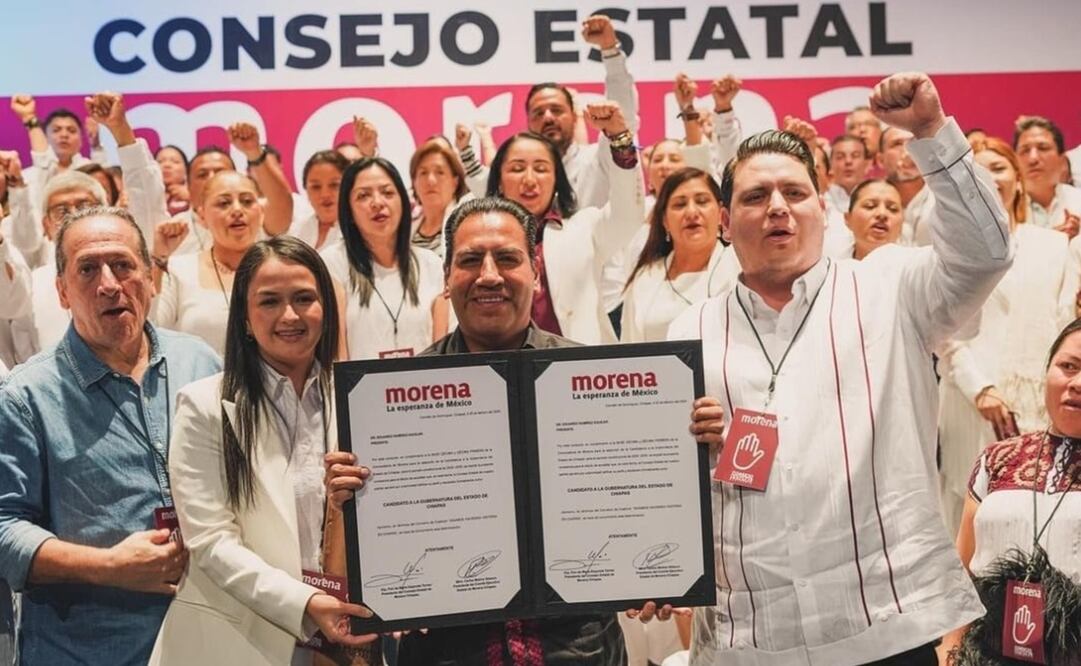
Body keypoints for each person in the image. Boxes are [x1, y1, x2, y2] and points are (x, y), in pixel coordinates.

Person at [665, 72, 1012, 664]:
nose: (777, 207)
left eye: (795, 193)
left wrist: (930, 132)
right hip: (751, 636)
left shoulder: (892, 286)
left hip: (885, 625)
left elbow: (987, 254)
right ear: (725, 222)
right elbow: (676, 481)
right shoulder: (689, 330)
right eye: (754, 197)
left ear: (823, 208)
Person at [325, 197, 627, 665]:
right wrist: (346, 502)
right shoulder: (387, 402)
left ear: (536, 273)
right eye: (470, 260)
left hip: (581, 648)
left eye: (507, 258)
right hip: (446, 649)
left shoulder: (589, 381)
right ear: (446, 277)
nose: (489, 274)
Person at [0, 206, 220, 664]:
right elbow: (4, 528)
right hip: (89, 647)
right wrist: (108, 567)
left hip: (208, 637)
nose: (108, 283)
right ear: (61, 292)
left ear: (151, 277)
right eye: (87, 269)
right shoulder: (25, 396)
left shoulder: (200, 363)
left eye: (123, 265)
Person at [149, 236, 375, 664]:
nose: (289, 315)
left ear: (326, 308)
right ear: (245, 319)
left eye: (304, 298)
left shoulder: (360, 398)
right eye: (269, 301)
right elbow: (212, 542)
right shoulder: (203, 406)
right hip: (236, 641)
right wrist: (304, 603)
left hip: (345, 640)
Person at [937, 136, 1076, 535]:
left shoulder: (1052, 245)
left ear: (1017, 178)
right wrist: (980, 389)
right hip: (969, 401)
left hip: (1036, 406)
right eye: (977, 170)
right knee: (966, 515)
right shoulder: (951, 252)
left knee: (1034, 517)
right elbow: (945, 333)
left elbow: (1064, 322)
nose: (989, 178)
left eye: (997, 167)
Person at [941, 318, 1081, 664]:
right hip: (989, 652)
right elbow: (963, 572)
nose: (1077, 383)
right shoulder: (998, 458)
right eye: (1068, 366)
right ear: (1047, 369)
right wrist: (948, 653)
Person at [487, 100, 644, 344]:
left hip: (577, 372)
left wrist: (620, 138)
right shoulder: (480, 238)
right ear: (498, 180)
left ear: (557, 180)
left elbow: (628, 214)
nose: (529, 179)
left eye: (541, 169)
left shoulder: (584, 228)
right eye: (517, 168)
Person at [458, 15, 637, 209]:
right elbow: (484, 183)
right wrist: (465, 149)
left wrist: (610, 50)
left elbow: (620, 115)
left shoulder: (595, 161)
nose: (548, 117)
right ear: (528, 124)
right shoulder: (519, 178)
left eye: (557, 110)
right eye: (538, 113)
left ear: (574, 117)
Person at [320, 157, 448, 359]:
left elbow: (443, 357)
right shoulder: (332, 264)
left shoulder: (430, 264)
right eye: (363, 196)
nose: (377, 203)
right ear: (349, 211)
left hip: (424, 388)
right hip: (359, 389)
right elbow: (337, 359)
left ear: (404, 203)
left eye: (388, 193)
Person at [151, 170, 266, 355]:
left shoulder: (281, 271)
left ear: (261, 212)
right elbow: (151, 329)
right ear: (202, 215)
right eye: (224, 203)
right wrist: (158, 259)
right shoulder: (177, 269)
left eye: (246, 201)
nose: (237, 210)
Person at [621, 167, 738, 343]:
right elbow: (627, 351)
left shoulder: (741, 267)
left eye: (702, 201)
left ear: (721, 214)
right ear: (664, 221)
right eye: (680, 204)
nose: (692, 213)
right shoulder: (645, 277)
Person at [1014, 116, 1081, 237]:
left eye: (1043, 148)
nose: (1033, 158)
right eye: (1025, 150)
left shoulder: (1078, 200)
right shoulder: (1006, 208)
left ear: (1062, 159)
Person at [409, 138, 471, 258]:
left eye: (440, 172)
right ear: (414, 182)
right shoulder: (406, 230)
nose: (430, 180)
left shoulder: (466, 223)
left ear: (455, 182)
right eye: (423, 173)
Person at [290, 150, 349, 250]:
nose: (325, 194)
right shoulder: (297, 229)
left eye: (334, 185)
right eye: (316, 187)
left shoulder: (361, 231)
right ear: (306, 189)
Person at [844, 179, 905, 260]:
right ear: (848, 218)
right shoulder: (830, 268)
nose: (882, 213)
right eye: (870, 206)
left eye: (892, 209)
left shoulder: (916, 268)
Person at [823, 134, 872, 213]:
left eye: (855, 156)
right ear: (830, 164)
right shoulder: (821, 201)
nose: (848, 161)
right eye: (840, 157)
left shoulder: (878, 197)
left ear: (867, 164)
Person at [155, 145, 190, 216]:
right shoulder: (146, 195)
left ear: (186, 169)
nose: (167, 165)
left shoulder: (195, 194)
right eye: (160, 161)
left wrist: (192, 198)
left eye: (175, 162)